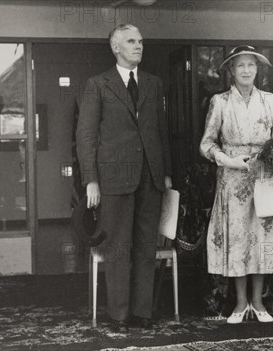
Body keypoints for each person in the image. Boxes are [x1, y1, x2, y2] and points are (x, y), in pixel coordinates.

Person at [76, 24, 172, 333]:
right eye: (131, 41)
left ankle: (142, 312)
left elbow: (161, 133)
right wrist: (90, 180)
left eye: (141, 41)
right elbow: (86, 136)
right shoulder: (98, 84)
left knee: (145, 247)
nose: (138, 46)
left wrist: (166, 172)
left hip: (151, 177)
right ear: (116, 48)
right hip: (113, 179)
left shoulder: (153, 84)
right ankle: (118, 315)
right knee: (117, 248)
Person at [199, 45, 273, 324]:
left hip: (263, 179)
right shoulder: (220, 102)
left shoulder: (268, 100)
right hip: (232, 180)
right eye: (240, 66)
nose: (246, 70)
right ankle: (240, 304)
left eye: (251, 65)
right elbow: (205, 144)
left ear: (257, 70)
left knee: (260, 240)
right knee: (238, 240)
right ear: (231, 70)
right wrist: (227, 160)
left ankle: (258, 302)